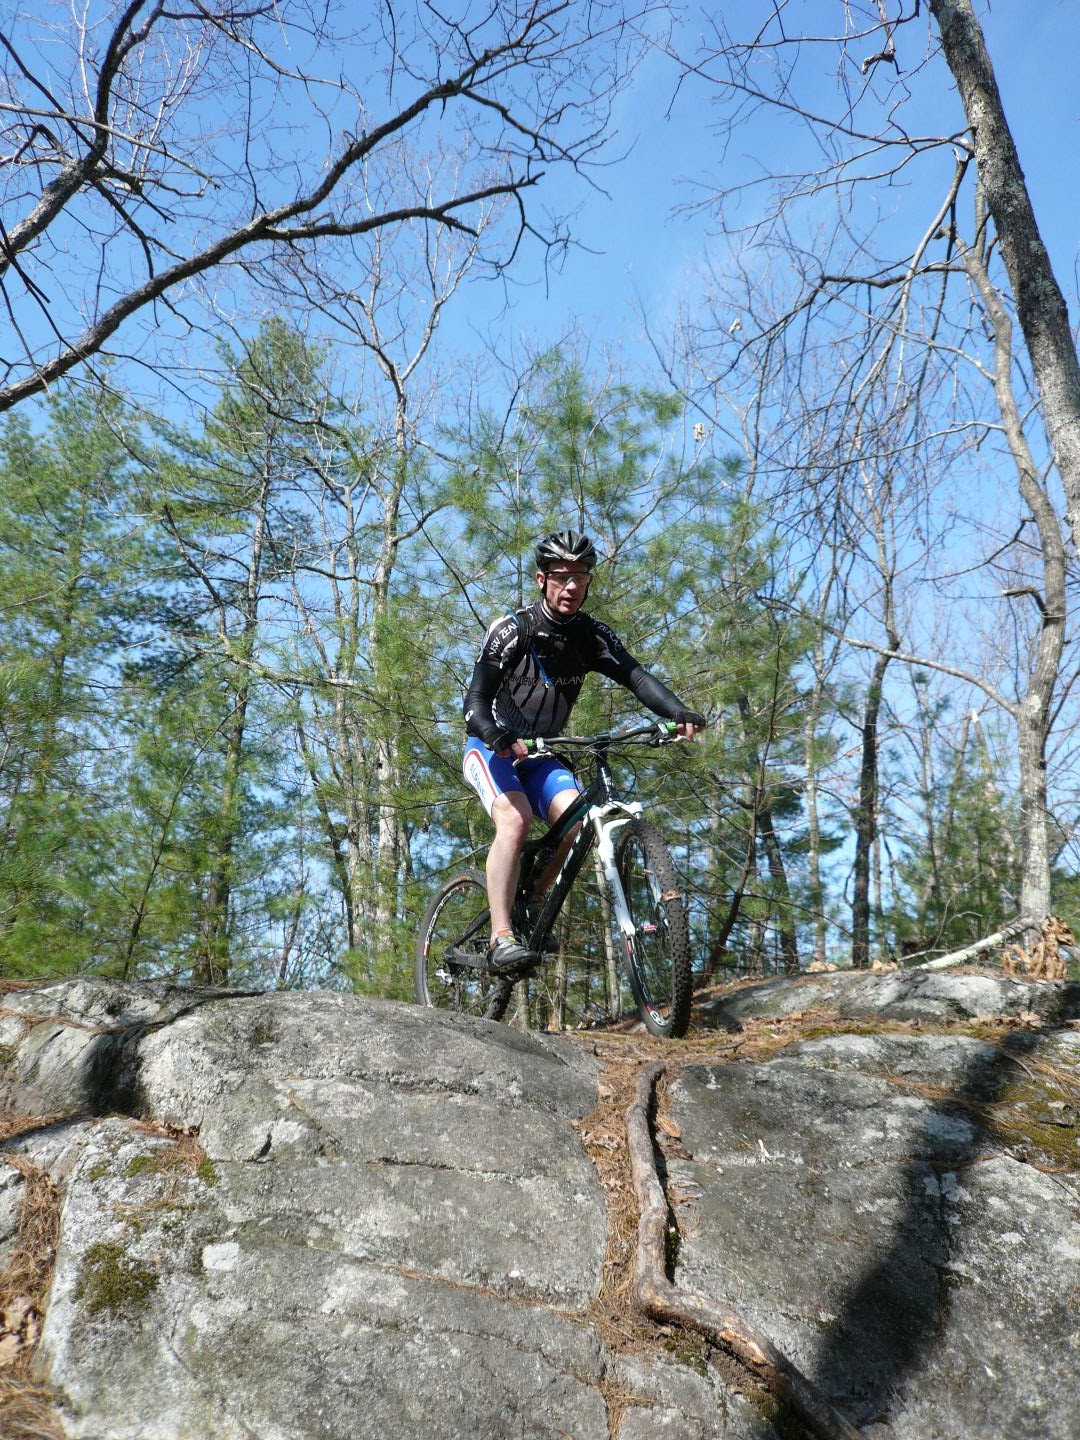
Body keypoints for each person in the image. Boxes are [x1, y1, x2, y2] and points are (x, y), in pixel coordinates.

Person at [462, 529, 706, 970]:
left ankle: (533, 902)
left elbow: (635, 676)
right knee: (515, 821)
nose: (571, 586)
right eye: (561, 576)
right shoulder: (513, 630)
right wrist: (496, 735)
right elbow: (476, 700)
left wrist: (678, 712)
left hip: (543, 753)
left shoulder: (591, 636)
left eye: (581, 576)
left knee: (578, 822)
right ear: (542, 580)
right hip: (492, 748)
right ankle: (501, 936)